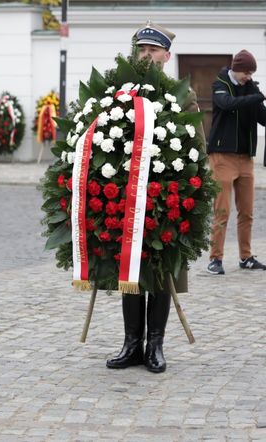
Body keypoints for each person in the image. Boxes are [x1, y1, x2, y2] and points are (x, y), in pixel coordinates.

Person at [106, 21, 203, 374]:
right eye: (141, 50)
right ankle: (132, 344)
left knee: (161, 273)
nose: (146, 56)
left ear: (166, 54)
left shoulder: (182, 95)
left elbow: (197, 150)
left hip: (167, 199)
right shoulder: (119, 92)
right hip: (125, 199)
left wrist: (191, 191)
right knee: (130, 270)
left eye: (152, 50)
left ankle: (155, 346)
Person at [206, 49, 266, 275]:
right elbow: (228, 104)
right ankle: (215, 259)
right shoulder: (220, 84)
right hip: (222, 156)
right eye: (246, 73)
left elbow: (262, 117)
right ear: (236, 69)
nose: (248, 77)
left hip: (245, 158)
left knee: (248, 211)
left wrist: (259, 99)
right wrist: (257, 96)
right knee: (222, 210)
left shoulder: (251, 88)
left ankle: (246, 257)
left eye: (251, 73)